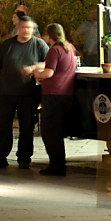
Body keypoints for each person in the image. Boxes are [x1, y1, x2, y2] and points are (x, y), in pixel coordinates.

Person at [0, 14, 49, 169]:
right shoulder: (7, 45)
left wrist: (33, 67)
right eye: (23, 27)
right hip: (5, 93)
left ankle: (24, 158)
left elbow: (49, 63)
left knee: (27, 127)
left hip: (29, 94)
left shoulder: (39, 44)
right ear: (18, 28)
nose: (26, 31)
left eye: (30, 28)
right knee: (3, 126)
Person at [33, 23, 78, 176]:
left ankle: (56, 166)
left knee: (50, 132)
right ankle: (59, 164)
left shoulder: (54, 50)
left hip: (53, 95)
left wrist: (36, 73)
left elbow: (48, 73)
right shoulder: (69, 47)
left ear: (49, 35)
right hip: (67, 94)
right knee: (57, 132)